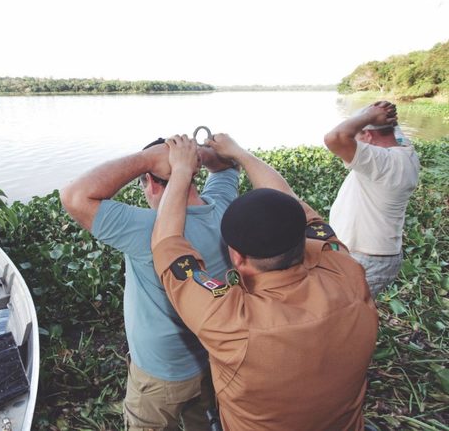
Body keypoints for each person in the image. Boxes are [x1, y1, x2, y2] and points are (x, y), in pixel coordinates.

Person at [151, 134, 378, 430]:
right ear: (300, 241)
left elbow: (167, 244)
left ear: (236, 257)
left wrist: (181, 169)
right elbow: (292, 204)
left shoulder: (230, 322)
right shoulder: (346, 271)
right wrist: (238, 153)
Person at [59, 137, 239, 430]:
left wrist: (153, 158)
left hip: (161, 374)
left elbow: (74, 196)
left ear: (151, 183)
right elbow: (227, 166)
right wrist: (195, 154)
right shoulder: (223, 209)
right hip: (213, 360)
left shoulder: (146, 229)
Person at [324, 101, 420, 296]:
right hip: (375, 255)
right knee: (351, 311)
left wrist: (368, 116)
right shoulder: (405, 151)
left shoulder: (384, 162)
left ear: (367, 135)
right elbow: (392, 132)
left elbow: (334, 138)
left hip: (366, 259)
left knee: (345, 316)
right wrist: (383, 114)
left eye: (358, 136)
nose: (354, 141)